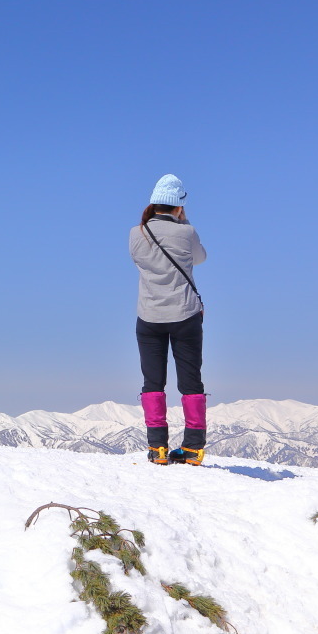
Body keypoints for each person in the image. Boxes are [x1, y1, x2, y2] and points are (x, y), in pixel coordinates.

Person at [129, 174, 207, 466]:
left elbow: (140, 260)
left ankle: (158, 447)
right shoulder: (187, 233)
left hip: (149, 316)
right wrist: (183, 224)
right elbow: (199, 258)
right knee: (190, 382)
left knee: (152, 381)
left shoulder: (137, 233)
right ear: (179, 206)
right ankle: (193, 449)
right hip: (185, 315)